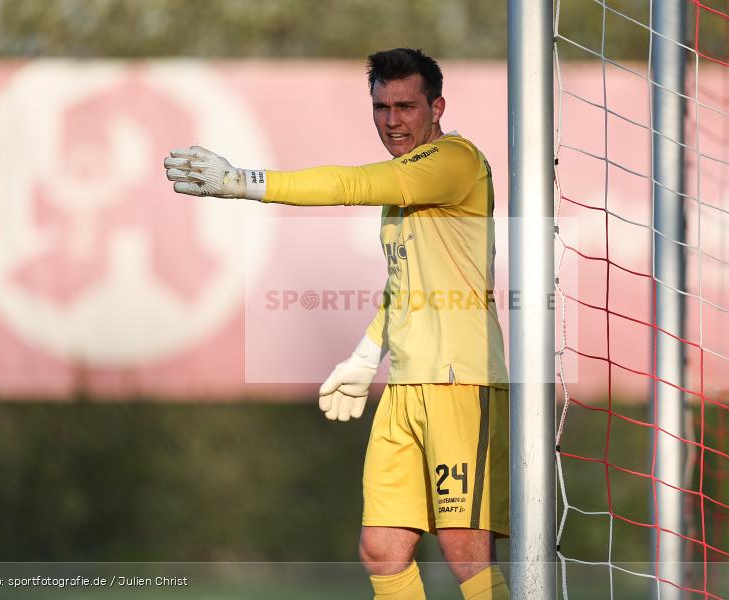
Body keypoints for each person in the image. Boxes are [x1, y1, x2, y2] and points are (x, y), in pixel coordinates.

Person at [164, 48, 510, 600]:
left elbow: (349, 183)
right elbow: (404, 288)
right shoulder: (403, 190)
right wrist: (366, 354)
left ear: (437, 106)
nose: (393, 121)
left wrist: (243, 182)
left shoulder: (456, 161)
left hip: (458, 382)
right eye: (381, 107)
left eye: (406, 106)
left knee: (463, 546)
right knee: (381, 550)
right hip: (406, 385)